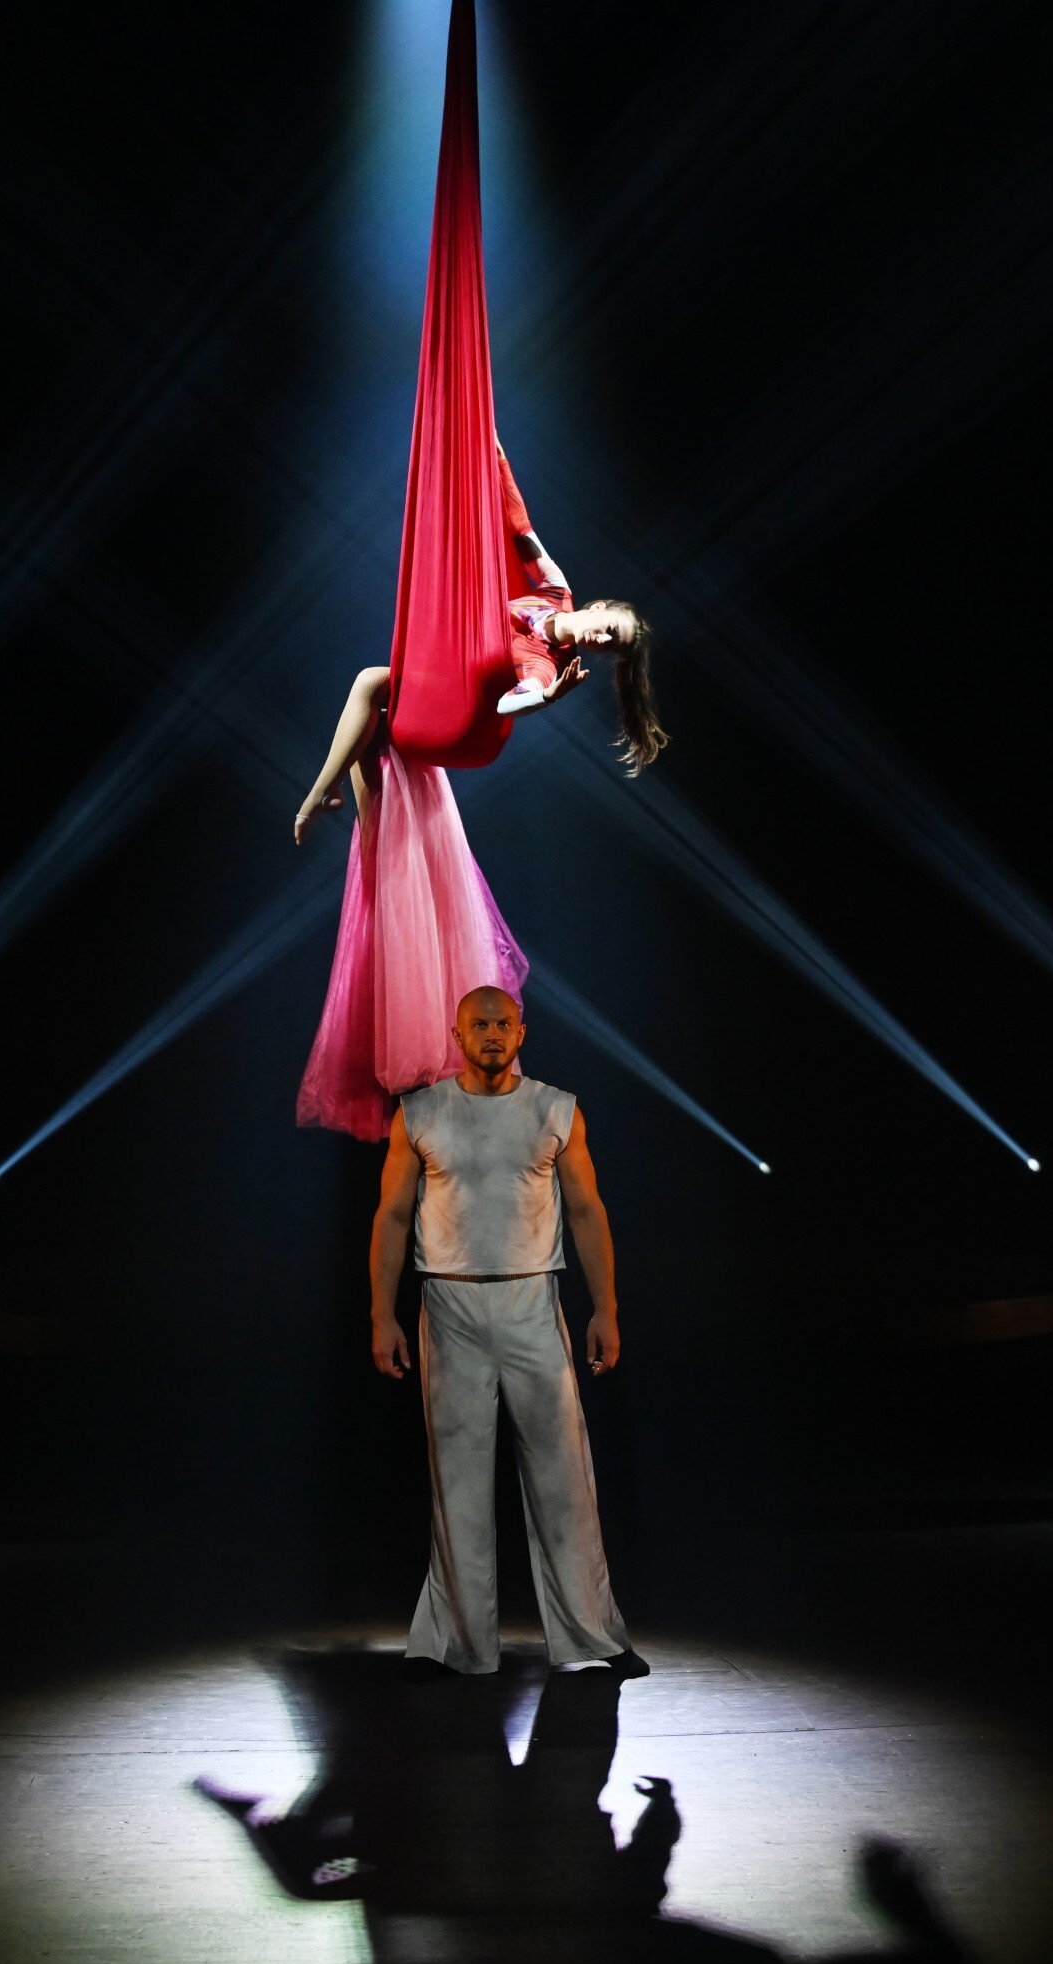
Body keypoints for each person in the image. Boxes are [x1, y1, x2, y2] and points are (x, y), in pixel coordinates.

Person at [291, 446, 660, 1141]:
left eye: (610, 646)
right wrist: (489, 451)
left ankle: (316, 797)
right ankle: (361, 852)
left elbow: (514, 698)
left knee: (371, 683)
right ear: (601, 607)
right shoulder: (555, 593)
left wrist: (544, 699)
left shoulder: (545, 662)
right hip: (443, 682)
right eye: (608, 628)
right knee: (379, 788)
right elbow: (521, 528)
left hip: (462, 710)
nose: (600, 638)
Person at [369, 985, 644, 1680]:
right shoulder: (421, 1112)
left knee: (563, 1475)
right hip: (450, 1303)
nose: (491, 1032)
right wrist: (382, 1314)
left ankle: (593, 1634)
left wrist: (605, 1309)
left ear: (520, 1033)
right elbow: (392, 1216)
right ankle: (458, 1644)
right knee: (458, 1481)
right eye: (478, 1023)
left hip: (532, 1298)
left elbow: (586, 1211)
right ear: (457, 1035)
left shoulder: (555, 1109)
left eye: (502, 1023)